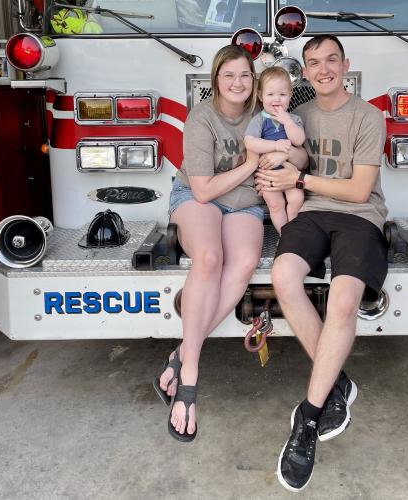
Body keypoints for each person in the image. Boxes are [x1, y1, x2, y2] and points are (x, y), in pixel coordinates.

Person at [255, 34, 388, 491]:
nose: (323, 68)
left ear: (345, 65)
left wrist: (301, 176)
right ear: (305, 73)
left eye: (331, 60)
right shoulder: (298, 116)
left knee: (343, 300)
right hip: (310, 213)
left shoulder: (369, 117)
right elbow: (276, 154)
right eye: (313, 63)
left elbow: (358, 191)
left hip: (358, 217)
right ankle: (337, 383)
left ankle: (308, 418)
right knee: (282, 275)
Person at [153, 45, 264, 442]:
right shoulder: (201, 118)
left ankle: (181, 352)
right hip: (198, 199)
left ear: (254, 81)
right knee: (209, 257)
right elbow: (201, 191)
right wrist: (252, 165)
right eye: (229, 75)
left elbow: (295, 150)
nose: (238, 83)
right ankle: (189, 381)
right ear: (215, 79)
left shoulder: (262, 115)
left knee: (246, 261)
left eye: (245, 76)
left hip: (245, 205)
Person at [244, 66, 306, 234]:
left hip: (290, 171)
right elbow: (250, 142)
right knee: (276, 204)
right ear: (260, 96)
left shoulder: (294, 119)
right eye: (270, 94)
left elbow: (299, 140)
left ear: (291, 95)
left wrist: (288, 122)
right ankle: (284, 235)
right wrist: (275, 146)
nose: (276, 99)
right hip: (267, 173)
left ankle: (292, 232)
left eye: (282, 94)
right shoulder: (259, 120)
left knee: (297, 198)